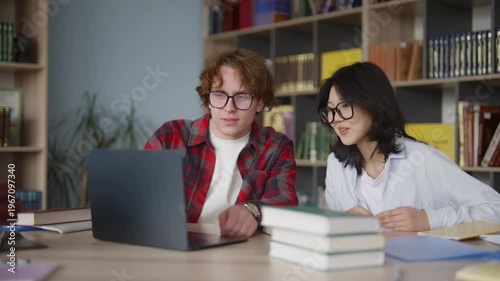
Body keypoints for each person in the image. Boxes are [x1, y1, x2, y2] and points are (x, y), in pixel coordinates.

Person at [317, 62, 500, 232]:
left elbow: (495, 209)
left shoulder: (422, 159)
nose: (336, 118)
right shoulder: (336, 164)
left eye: (345, 106)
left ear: (373, 104)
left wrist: (429, 219)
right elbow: (329, 232)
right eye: (330, 110)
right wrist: (340, 220)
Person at [144, 49, 298, 238]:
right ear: (208, 99)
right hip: (174, 246)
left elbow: (286, 200)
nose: (229, 108)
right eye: (219, 95)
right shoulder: (171, 136)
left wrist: (252, 210)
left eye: (242, 96)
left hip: (242, 251)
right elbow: (140, 197)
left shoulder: (275, 147)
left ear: (259, 103)